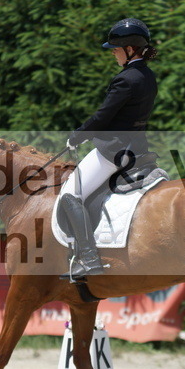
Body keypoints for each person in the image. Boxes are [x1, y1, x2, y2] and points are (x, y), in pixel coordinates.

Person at [59, 17, 159, 280]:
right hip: (137, 148)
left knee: (71, 195)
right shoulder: (147, 76)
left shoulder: (126, 79)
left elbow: (103, 116)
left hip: (113, 152)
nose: (113, 54)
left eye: (115, 49)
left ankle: (88, 259)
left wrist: (77, 136)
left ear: (129, 49)